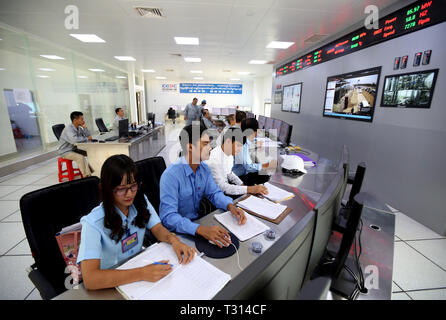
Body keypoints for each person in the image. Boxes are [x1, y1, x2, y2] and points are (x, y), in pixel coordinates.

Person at [77, 154, 197, 290]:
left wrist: (174, 241)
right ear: (107, 189)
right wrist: (141, 273)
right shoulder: (93, 223)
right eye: (122, 189)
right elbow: (91, 279)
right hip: (111, 282)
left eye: (133, 186)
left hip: (138, 269)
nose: (129, 194)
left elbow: (157, 228)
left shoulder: (140, 202)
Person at [159, 124, 247, 248]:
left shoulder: (204, 169)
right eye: (205, 144)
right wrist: (199, 229)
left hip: (197, 224)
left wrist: (230, 206)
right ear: (190, 147)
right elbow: (168, 217)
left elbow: (214, 193)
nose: (210, 148)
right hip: (178, 234)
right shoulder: (171, 176)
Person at [206, 127, 268, 197]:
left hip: (224, 187)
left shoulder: (228, 153)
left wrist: (242, 184)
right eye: (238, 145)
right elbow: (223, 187)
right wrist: (249, 189)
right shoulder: (214, 160)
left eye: (241, 146)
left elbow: (229, 173)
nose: (240, 149)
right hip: (215, 194)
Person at [232, 118, 277, 186]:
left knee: (262, 168)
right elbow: (249, 167)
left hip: (241, 171)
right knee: (265, 175)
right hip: (238, 176)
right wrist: (265, 165)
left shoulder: (243, 138)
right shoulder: (242, 144)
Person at [58, 111, 93, 177]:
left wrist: (85, 128)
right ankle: (86, 176)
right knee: (80, 157)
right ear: (75, 120)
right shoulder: (69, 129)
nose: (83, 120)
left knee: (92, 153)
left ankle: (93, 172)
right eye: (82, 119)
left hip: (75, 149)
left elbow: (89, 136)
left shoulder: (79, 128)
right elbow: (74, 141)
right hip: (66, 151)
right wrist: (86, 138)